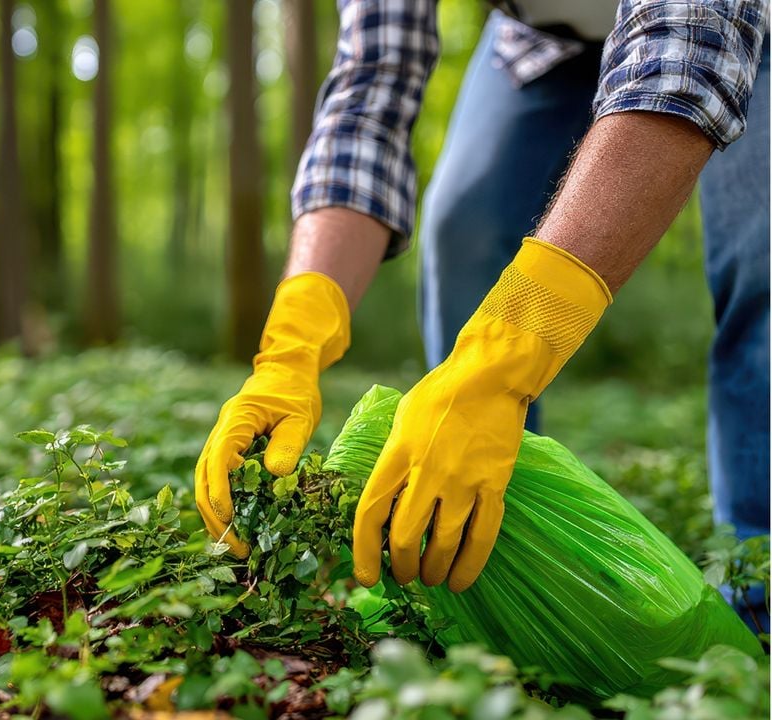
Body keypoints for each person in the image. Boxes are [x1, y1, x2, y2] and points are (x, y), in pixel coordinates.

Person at [194, 0, 769, 627]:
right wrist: (291, 350)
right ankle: (471, 558)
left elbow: (683, 58)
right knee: (464, 226)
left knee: (761, 262)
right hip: (542, 41)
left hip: (734, 28)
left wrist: (505, 363)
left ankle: (758, 578)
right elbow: (366, 98)